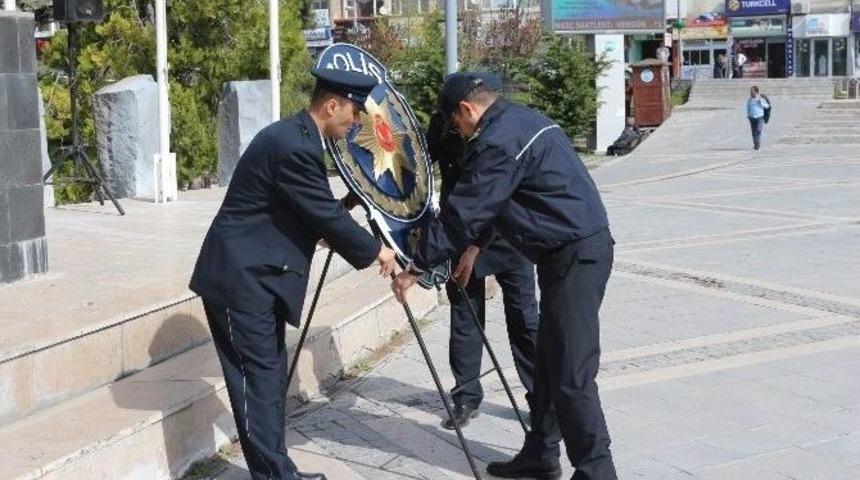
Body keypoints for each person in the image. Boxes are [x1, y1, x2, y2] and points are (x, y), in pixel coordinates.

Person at [392, 72, 617, 480]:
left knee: (571, 374)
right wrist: (479, 244)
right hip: (567, 254)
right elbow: (511, 198)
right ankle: (541, 454)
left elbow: (462, 215)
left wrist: (414, 265)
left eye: (455, 123)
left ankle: (597, 471)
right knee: (549, 363)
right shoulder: (522, 120)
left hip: (575, 258)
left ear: (466, 109)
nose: (456, 132)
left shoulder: (495, 142)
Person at [190, 68, 398, 480]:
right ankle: (274, 476)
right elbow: (320, 214)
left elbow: (308, 209)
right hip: (240, 280)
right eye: (354, 112)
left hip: (258, 277)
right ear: (332, 104)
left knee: (266, 382)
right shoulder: (294, 144)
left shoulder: (298, 138)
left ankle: (278, 471)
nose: (355, 122)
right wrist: (377, 251)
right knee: (256, 384)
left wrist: (346, 210)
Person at [425, 72, 539, 431]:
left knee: (524, 319)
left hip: (507, 234)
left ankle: (540, 399)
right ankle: (465, 397)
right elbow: (418, 164)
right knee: (465, 317)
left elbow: (499, 194)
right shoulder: (444, 124)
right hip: (461, 229)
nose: (456, 125)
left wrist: (476, 245)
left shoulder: (501, 130)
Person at [747, 85, 770, 150]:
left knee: (759, 130)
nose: (751, 93)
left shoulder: (761, 99)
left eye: (752, 92)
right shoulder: (749, 100)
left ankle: (758, 143)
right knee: (753, 131)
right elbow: (748, 108)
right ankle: (756, 144)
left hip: (760, 117)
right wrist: (748, 115)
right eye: (750, 92)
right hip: (752, 117)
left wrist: (761, 103)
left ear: (756, 92)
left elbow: (767, 106)